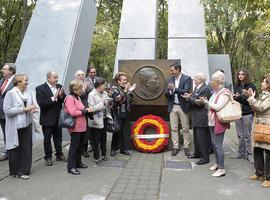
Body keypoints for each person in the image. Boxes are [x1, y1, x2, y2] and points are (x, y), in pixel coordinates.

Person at [3, 74, 38, 179]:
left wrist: (33, 109)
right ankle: (17, 171)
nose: (27, 82)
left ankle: (25, 170)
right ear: (18, 82)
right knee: (15, 149)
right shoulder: (11, 93)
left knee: (27, 148)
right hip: (15, 126)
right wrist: (23, 109)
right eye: (25, 80)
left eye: (27, 80)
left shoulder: (29, 92)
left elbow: (32, 105)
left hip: (27, 124)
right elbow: (7, 111)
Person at [200, 71, 231, 177]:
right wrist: (205, 102)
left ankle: (222, 169)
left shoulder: (225, 93)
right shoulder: (214, 92)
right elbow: (210, 106)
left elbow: (217, 107)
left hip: (219, 122)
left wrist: (207, 103)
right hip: (212, 121)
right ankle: (217, 163)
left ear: (218, 81)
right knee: (214, 144)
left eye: (213, 80)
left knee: (218, 145)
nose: (211, 82)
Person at [243, 74, 270, 188]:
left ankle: (268, 178)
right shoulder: (262, 95)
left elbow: (260, 107)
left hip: (267, 127)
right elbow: (254, 106)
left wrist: (250, 97)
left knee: (268, 152)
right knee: (257, 148)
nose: (262, 83)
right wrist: (252, 99)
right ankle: (259, 173)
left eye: (264, 82)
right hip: (259, 125)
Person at [36, 71, 67, 166]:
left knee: (58, 138)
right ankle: (48, 157)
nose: (57, 79)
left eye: (57, 77)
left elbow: (63, 100)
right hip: (47, 119)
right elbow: (42, 104)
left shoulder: (59, 86)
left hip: (58, 118)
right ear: (49, 78)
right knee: (47, 139)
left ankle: (59, 154)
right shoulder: (40, 88)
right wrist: (54, 97)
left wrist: (61, 96)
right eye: (55, 77)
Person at [65, 79, 93, 175]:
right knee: (74, 146)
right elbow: (72, 112)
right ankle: (71, 167)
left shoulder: (77, 97)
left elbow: (81, 107)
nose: (81, 90)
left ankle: (78, 163)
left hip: (82, 125)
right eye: (80, 88)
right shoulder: (70, 98)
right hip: (75, 126)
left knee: (80, 145)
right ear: (74, 89)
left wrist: (87, 109)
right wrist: (84, 111)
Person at [183, 73, 211, 165]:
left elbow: (200, 103)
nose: (194, 79)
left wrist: (189, 98)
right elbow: (195, 99)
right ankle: (197, 154)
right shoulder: (197, 87)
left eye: (196, 78)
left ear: (201, 80)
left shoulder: (205, 88)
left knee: (202, 138)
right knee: (196, 137)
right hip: (195, 116)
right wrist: (189, 97)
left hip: (201, 117)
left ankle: (205, 158)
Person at [164, 62, 192, 157]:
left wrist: (174, 89)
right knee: (174, 128)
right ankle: (175, 147)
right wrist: (170, 91)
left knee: (185, 128)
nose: (171, 72)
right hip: (173, 106)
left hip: (183, 106)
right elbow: (166, 93)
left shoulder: (187, 78)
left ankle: (186, 147)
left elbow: (185, 91)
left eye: (172, 70)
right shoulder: (170, 79)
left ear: (178, 69)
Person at [231, 69, 256, 164]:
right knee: (240, 135)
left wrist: (239, 97)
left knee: (247, 135)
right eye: (239, 74)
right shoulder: (235, 86)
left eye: (242, 74)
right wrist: (233, 97)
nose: (240, 76)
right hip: (237, 113)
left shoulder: (251, 86)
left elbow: (251, 101)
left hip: (247, 113)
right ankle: (240, 152)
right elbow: (233, 98)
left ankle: (249, 154)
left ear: (246, 75)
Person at [110, 72, 136, 157]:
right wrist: (126, 91)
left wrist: (130, 92)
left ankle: (124, 149)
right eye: (123, 80)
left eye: (126, 80)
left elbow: (131, 100)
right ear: (118, 81)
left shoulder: (126, 88)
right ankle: (113, 149)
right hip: (117, 113)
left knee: (125, 132)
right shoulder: (114, 88)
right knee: (117, 131)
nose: (125, 81)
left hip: (126, 113)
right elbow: (118, 99)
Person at [88, 77, 113, 164]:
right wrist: (103, 103)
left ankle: (104, 154)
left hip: (105, 118)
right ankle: (96, 157)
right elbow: (92, 108)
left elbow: (108, 105)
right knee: (96, 139)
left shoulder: (105, 93)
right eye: (104, 85)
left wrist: (109, 103)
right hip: (96, 120)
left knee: (104, 137)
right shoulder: (91, 95)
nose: (105, 87)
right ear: (99, 86)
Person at [0, 63, 16, 161]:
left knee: (12, 133)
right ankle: (9, 152)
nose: (2, 71)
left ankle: (14, 153)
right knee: (6, 133)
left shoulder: (16, 81)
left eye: (5, 69)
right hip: (1, 112)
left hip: (11, 112)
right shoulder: (2, 80)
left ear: (11, 71)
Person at [82, 66, 97, 155]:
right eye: (91, 72)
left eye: (94, 72)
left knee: (95, 125)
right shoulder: (85, 81)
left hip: (96, 106)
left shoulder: (98, 79)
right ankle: (87, 146)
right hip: (87, 106)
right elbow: (83, 93)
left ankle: (93, 144)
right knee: (87, 128)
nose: (93, 74)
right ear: (88, 73)